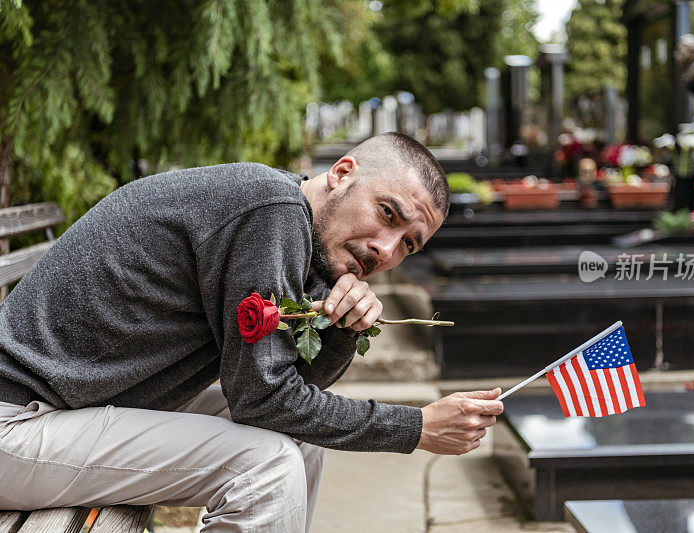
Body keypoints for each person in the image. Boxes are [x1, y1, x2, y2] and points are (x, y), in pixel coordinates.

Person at [0, 132, 503, 532]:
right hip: (16, 424)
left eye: (408, 245)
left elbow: (295, 393)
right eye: (387, 214)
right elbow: (262, 397)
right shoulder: (272, 215)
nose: (386, 250)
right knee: (265, 466)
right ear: (342, 173)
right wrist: (415, 428)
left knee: (295, 441)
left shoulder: (299, 231)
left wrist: (344, 327)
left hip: (71, 411)